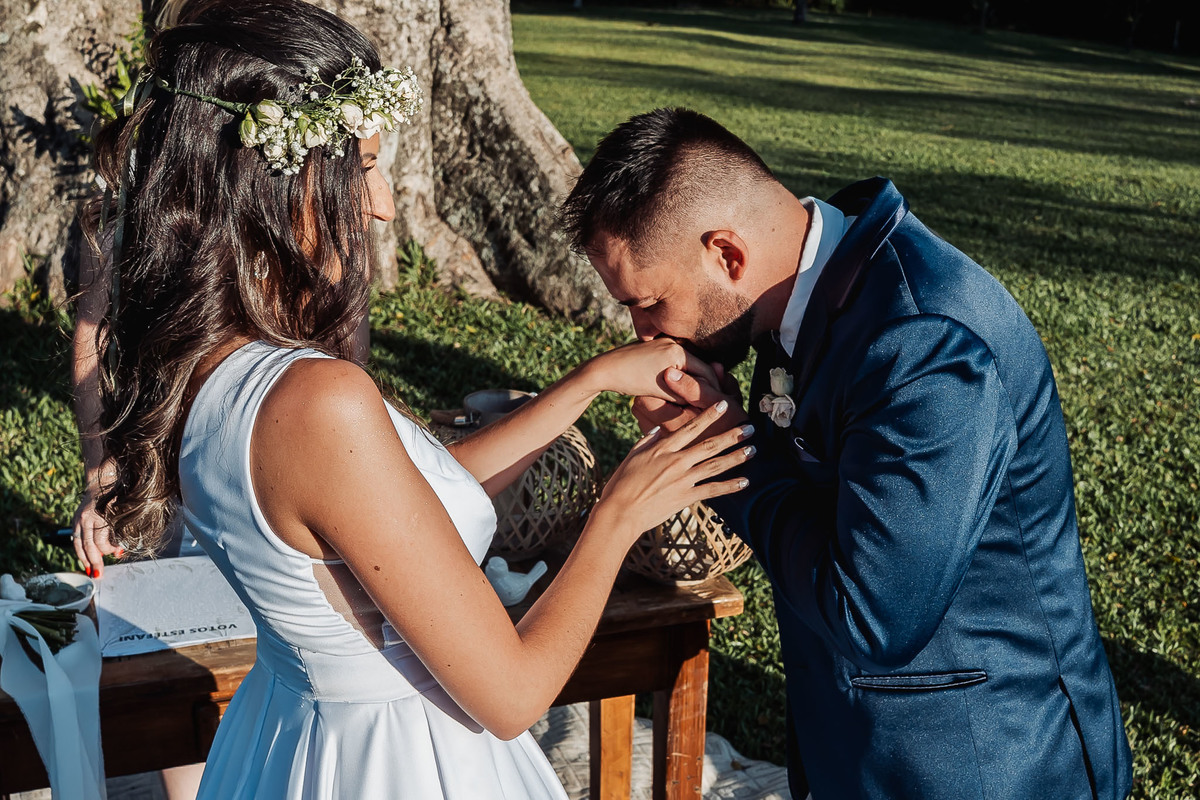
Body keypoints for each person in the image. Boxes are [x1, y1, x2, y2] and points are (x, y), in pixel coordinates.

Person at [82, 4, 753, 798]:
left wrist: (590, 382)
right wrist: (621, 511)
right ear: (278, 181)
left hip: (292, 737)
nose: (382, 205)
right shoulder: (316, 400)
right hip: (400, 759)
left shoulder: (205, 363)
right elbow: (513, 695)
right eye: (362, 168)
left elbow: (401, 508)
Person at [562, 107, 1133, 800]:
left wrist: (728, 453)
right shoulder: (797, 292)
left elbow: (873, 616)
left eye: (649, 302)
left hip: (980, 759)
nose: (643, 332)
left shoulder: (924, 341)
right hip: (857, 751)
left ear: (728, 255)